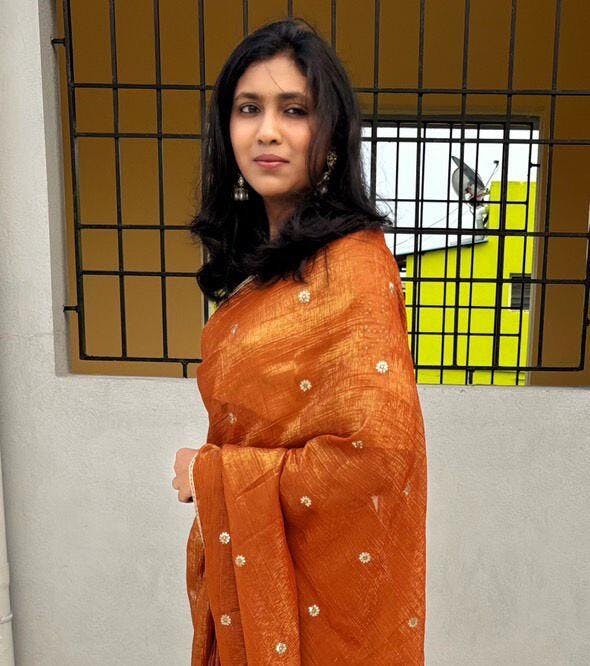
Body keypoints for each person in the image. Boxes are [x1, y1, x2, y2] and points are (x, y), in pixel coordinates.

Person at [171, 17, 428, 665]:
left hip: (324, 609)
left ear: (331, 135)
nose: (267, 131)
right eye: (248, 109)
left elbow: (376, 451)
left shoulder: (353, 265)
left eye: (294, 110)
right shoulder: (259, 270)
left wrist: (211, 475)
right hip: (248, 583)